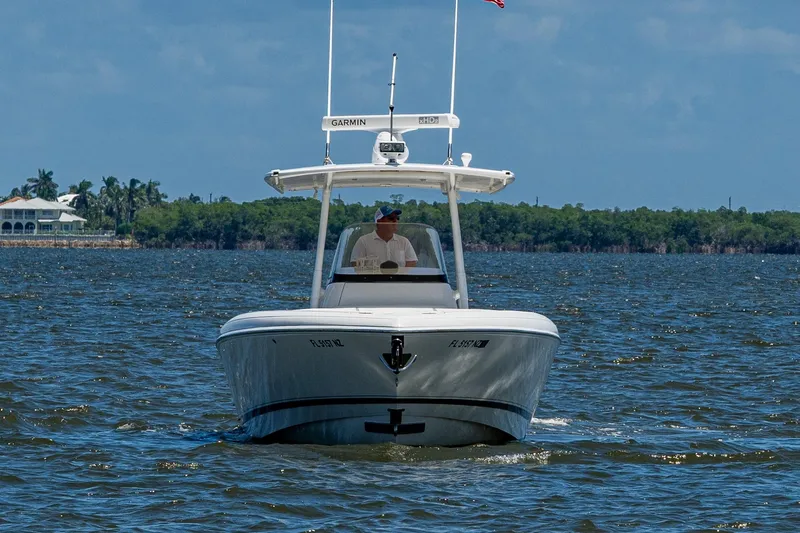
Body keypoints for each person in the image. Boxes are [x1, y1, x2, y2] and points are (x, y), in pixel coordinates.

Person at [350, 206, 418, 267]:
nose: (395, 221)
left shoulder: (404, 242)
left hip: (398, 281)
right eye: (391, 218)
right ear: (379, 221)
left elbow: (411, 263)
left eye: (397, 218)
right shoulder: (363, 241)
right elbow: (355, 265)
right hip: (372, 281)